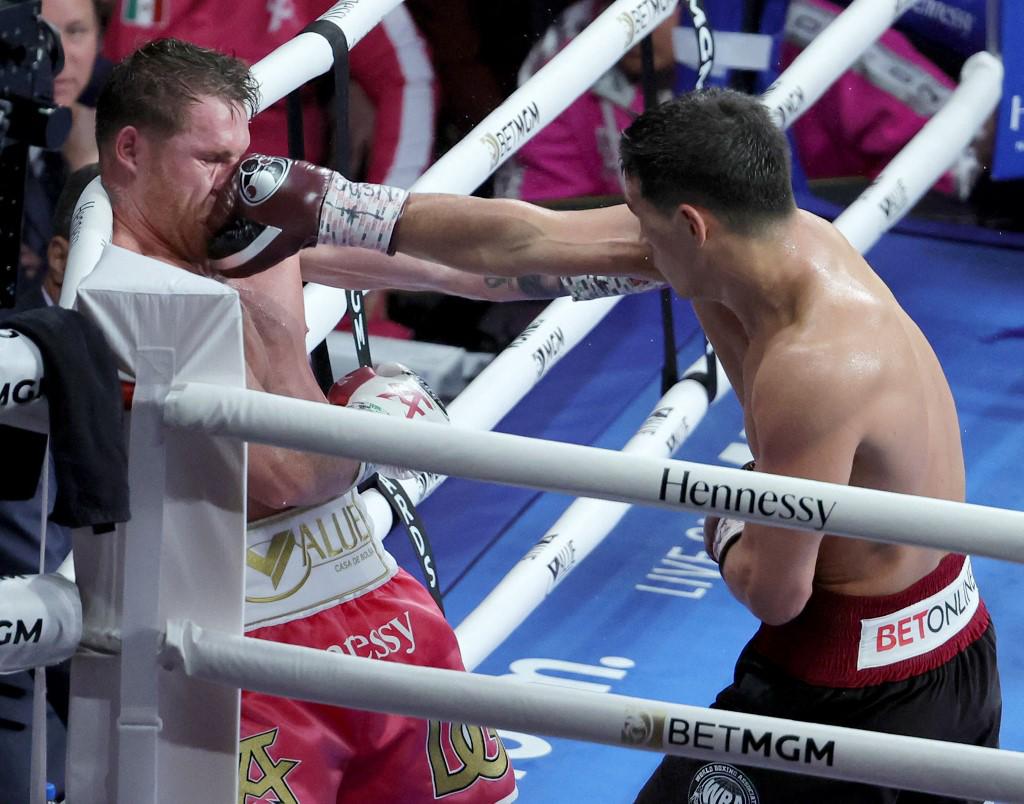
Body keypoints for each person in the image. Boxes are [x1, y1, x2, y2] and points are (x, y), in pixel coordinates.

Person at [234, 88, 998, 803]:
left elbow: (776, 591)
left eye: (639, 213)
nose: (628, 231)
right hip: (952, 645)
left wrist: (730, 524)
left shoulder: (815, 364)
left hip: (853, 689)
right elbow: (524, 239)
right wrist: (330, 212)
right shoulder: (777, 244)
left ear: (692, 224)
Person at [93, 38, 516, 803]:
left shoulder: (258, 231)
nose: (239, 184)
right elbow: (288, 478)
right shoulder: (135, 303)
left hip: (369, 584)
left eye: (243, 156)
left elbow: (474, 266)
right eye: (212, 160)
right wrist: (378, 423)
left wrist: (655, 250)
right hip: (247, 642)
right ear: (131, 150)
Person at [495, 0, 677, 202]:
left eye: (657, 2)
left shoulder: (713, 54)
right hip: (610, 226)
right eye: (615, 2)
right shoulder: (564, 63)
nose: (638, 19)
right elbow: (542, 210)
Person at [19, 0, 106, 307]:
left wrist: (90, 169)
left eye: (75, 31)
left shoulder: (113, 139)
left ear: (99, 40)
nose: (59, 55)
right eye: (40, 33)